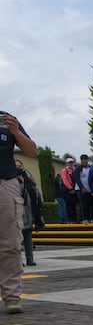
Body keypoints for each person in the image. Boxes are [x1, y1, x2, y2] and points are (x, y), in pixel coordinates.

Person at [0, 111, 37, 313]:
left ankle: (12, 296)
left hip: (6, 184)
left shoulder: (7, 120)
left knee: (10, 244)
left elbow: (31, 151)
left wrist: (15, 131)